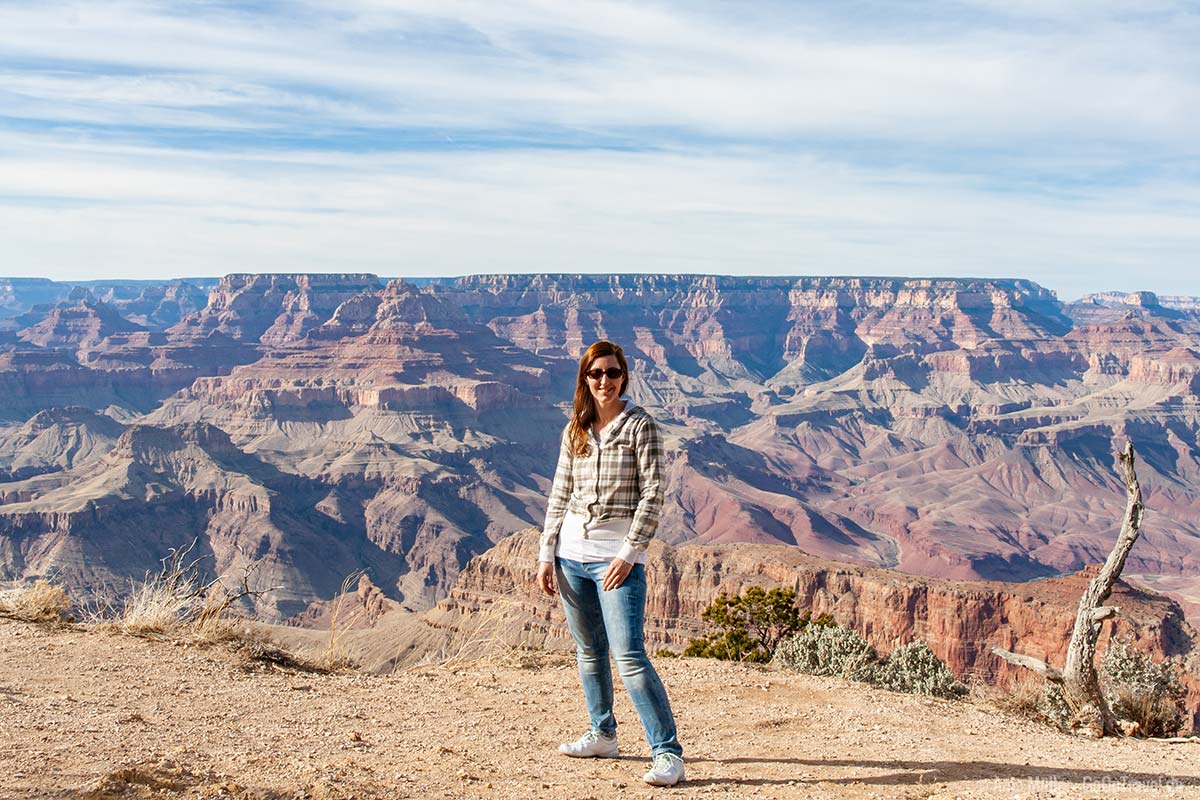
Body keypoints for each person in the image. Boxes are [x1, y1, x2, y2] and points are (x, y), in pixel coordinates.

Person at [536, 340, 685, 787]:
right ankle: (602, 733)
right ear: (585, 378)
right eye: (596, 373)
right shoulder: (576, 429)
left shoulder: (641, 427)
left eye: (612, 373)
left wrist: (629, 553)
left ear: (625, 377)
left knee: (630, 657)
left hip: (614, 560)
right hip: (570, 557)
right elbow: (559, 493)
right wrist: (547, 552)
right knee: (588, 652)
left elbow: (654, 495)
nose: (605, 381)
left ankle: (668, 753)